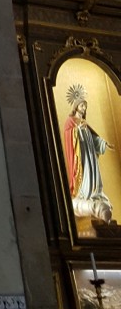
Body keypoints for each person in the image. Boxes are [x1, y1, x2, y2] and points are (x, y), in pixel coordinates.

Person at [63, 89, 114, 222]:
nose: (84, 108)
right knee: (85, 173)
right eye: (82, 105)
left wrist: (103, 144)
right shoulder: (71, 121)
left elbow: (93, 137)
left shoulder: (84, 121)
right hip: (81, 156)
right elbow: (68, 134)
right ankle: (85, 193)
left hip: (90, 154)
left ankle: (95, 193)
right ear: (76, 107)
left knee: (94, 172)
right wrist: (78, 130)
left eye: (85, 106)